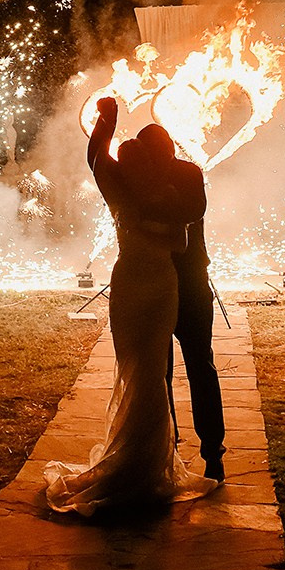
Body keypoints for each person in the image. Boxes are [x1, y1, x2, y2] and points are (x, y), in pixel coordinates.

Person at [43, 98, 217, 517]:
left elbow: (96, 157)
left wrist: (107, 120)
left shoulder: (122, 185)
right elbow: (184, 230)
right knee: (169, 371)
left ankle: (182, 454)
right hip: (168, 284)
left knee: (152, 371)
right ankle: (172, 456)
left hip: (146, 286)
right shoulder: (171, 180)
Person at [132, 123, 226, 481]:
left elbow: (192, 210)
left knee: (197, 366)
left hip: (186, 282)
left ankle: (210, 449)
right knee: (167, 372)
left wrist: (159, 200)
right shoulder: (150, 177)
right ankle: (169, 449)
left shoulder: (187, 173)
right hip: (161, 281)